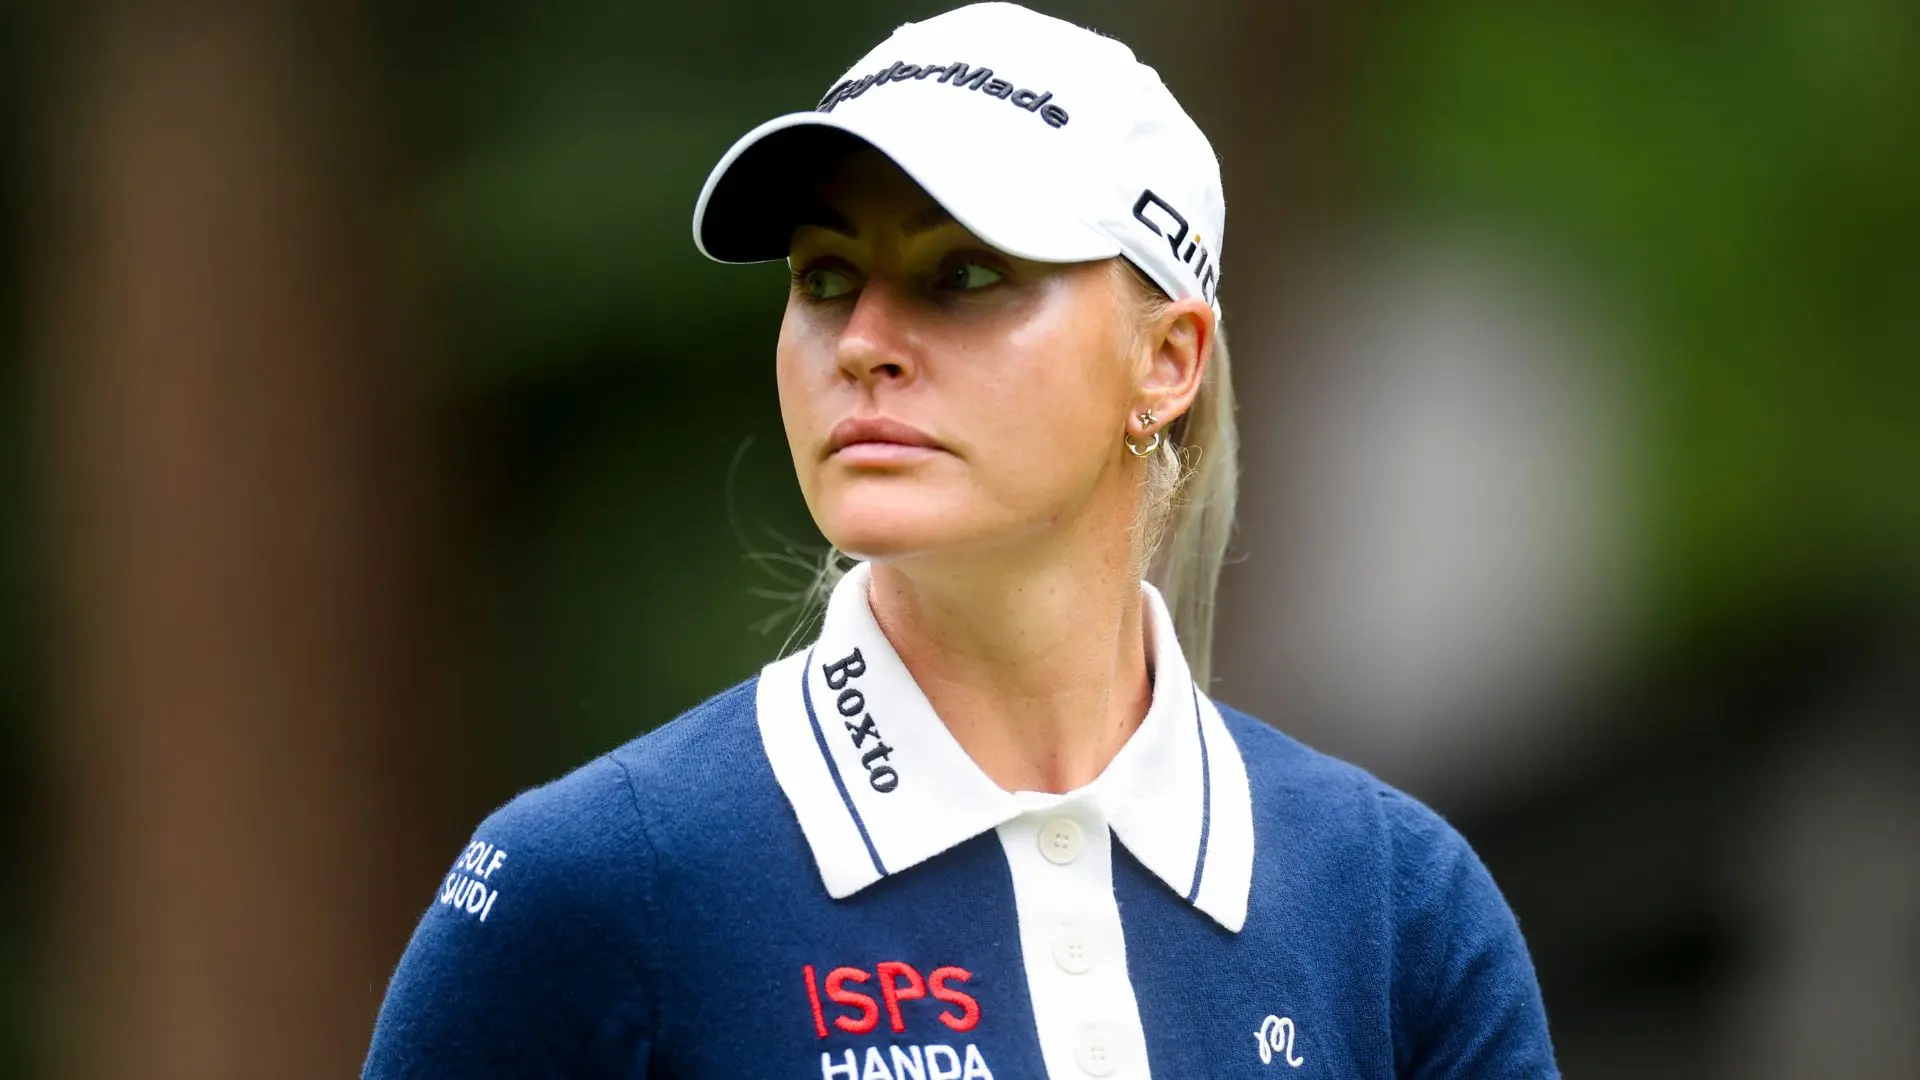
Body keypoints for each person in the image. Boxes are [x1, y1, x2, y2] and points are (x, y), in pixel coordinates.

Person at [362, 4, 1559, 1077]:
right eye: (826, 276)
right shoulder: (595, 883)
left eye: (965, 274)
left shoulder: (1397, 906)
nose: (863, 341)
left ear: (1166, 361)